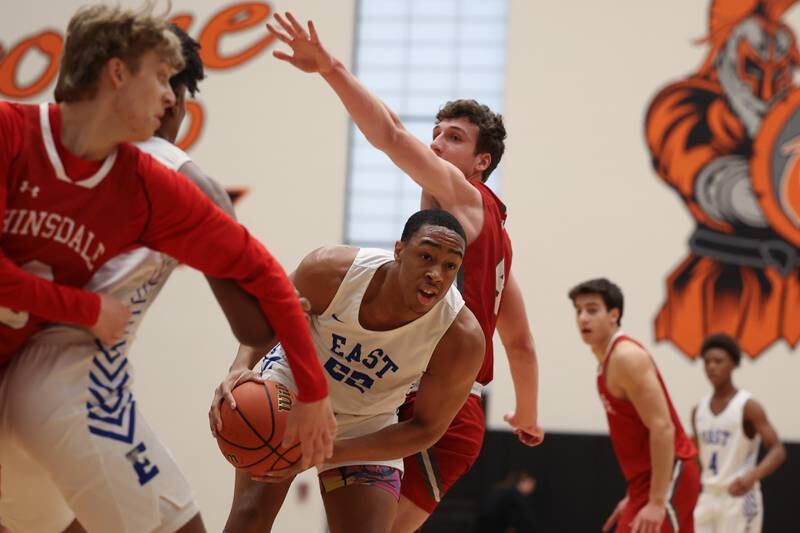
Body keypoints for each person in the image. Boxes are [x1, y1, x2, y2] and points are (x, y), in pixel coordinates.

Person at [0, 2, 336, 525]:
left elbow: (260, 270)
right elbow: (253, 316)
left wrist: (310, 383)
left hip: (37, 376)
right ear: (120, 75)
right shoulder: (24, 136)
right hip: (64, 376)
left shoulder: (141, 180)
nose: (167, 95)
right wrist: (89, 308)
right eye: (160, 78)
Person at [264, 13, 543, 530]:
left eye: (453, 138)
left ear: (481, 162)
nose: (435, 145)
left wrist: (331, 68)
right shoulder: (492, 246)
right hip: (416, 391)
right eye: (434, 133)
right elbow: (521, 342)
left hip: (439, 407)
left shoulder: (464, 196)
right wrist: (526, 416)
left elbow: (390, 134)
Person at [210, 209, 486, 533]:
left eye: (450, 266)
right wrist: (239, 367)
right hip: (293, 392)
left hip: (366, 421)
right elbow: (273, 310)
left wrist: (326, 451)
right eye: (426, 256)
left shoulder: (461, 338)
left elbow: (425, 430)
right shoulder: (333, 271)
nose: (436, 274)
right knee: (250, 516)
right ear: (399, 251)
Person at [569, 278, 700, 533]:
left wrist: (656, 501)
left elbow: (662, 428)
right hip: (647, 481)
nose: (583, 317)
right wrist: (635, 495)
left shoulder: (626, 357)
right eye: (578, 310)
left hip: (672, 473)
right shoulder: (606, 361)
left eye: (592, 309)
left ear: (614, 315)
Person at [692, 333, 786, 533]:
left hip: (738, 496)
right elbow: (696, 454)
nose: (711, 366)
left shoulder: (747, 406)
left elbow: (778, 450)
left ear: (734, 364)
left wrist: (754, 475)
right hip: (708, 495)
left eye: (718, 361)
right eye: (707, 361)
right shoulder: (698, 410)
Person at [476, 471, 540, 533]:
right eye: (530, 484)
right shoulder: (514, 494)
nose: (532, 488)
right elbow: (526, 518)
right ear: (522, 482)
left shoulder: (501, 490)